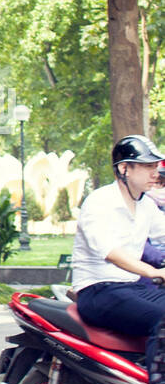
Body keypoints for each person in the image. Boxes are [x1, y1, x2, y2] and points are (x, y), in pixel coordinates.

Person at [71, 135, 165, 366]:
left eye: (155, 166)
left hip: (131, 289)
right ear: (124, 169)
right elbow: (111, 252)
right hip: (98, 292)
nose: (155, 172)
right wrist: (155, 272)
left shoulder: (146, 205)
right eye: (147, 166)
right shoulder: (100, 201)